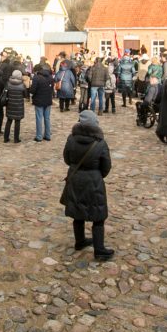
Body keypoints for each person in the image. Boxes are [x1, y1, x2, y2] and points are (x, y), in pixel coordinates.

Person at [62, 110, 114, 261]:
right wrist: (96, 176)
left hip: (75, 179)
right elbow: (106, 166)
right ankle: (99, 250)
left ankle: (80, 241)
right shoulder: (100, 143)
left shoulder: (71, 139)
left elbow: (67, 159)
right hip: (93, 181)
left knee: (78, 211)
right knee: (98, 216)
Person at [30, 65, 53, 142]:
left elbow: (32, 90)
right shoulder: (50, 77)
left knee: (39, 118)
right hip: (48, 100)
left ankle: (39, 136)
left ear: (36, 71)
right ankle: (47, 135)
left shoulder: (36, 78)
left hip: (39, 100)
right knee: (47, 118)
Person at [3, 69, 26, 144]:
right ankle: (16, 139)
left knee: (9, 121)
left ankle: (6, 138)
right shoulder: (22, 85)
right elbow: (25, 95)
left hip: (10, 104)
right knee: (17, 122)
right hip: (19, 106)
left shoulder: (8, 83)